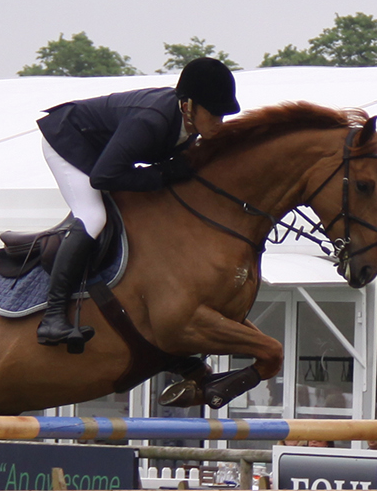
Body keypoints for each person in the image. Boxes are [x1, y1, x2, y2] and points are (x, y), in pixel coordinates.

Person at [32, 56, 240, 348]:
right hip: (69, 141)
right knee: (93, 216)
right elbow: (103, 177)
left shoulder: (189, 125)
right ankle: (52, 318)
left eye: (223, 115)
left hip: (105, 152)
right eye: (215, 114)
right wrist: (162, 174)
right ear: (189, 105)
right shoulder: (150, 120)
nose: (220, 122)